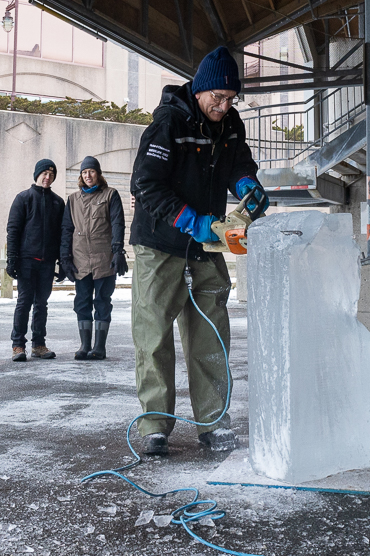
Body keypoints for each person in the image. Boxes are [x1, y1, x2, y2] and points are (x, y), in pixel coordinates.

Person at [129, 46, 266, 456]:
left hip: (207, 246)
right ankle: (154, 426)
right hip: (162, 244)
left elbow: (240, 163)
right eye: (217, 98)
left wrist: (246, 185)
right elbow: (146, 185)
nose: (223, 107)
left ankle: (213, 421)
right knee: (154, 335)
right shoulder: (168, 124)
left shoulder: (230, 126)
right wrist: (190, 220)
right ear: (201, 89)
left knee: (210, 335)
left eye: (230, 99)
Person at [61, 155, 126, 360]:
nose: (88, 175)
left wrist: (118, 250)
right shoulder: (72, 200)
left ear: (98, 174)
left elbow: (117, 223)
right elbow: (66, 230)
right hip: (80, 260)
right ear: (81, 176)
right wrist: (65, 257)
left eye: (92, 171)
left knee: (102, 301)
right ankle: (84, 345)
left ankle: (99, 346)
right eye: (84, 172)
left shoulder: (110, 195)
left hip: (104, 259)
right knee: (82, 302)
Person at [6, 160, 64, 362]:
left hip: (47, 262)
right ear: (37, 174)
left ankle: (38, 344)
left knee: (42, 303)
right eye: (44, 173)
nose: (47, 177)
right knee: (24, 302)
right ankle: (18, 345)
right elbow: (13, 230)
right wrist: (12, 258)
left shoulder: (58, 203)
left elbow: (62, 234)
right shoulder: (23, 198)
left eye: (51, 174)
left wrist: (62, 261)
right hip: (26, 261)